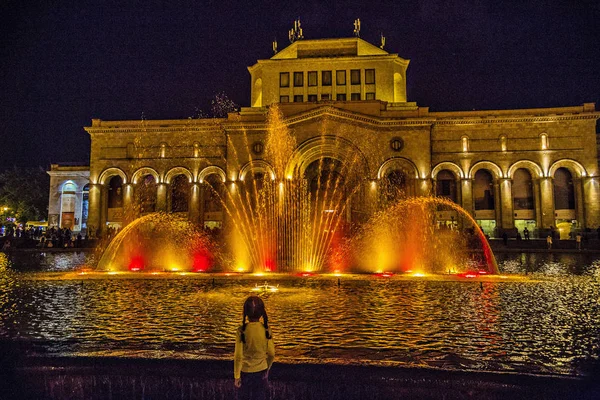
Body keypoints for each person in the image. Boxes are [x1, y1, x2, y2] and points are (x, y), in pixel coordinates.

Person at [234, 296, 275, 400]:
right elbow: (271, 354)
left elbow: (238, 356)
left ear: (246, 313)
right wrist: (268, 368)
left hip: (246, 372)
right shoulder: (266, 330)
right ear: (262, 313)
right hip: (262, 371)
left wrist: (237, 376)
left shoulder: (241, 331)